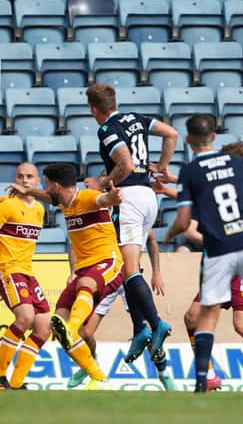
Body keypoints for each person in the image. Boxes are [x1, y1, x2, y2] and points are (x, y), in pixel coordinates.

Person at [164, 114, 243, 391]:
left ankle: (207, 377)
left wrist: (172, 229)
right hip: (232, 255)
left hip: (236, 258)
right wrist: (169, 185)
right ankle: (208, 377)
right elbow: (209, 192)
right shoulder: (239, 181)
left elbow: (204, 198)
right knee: (193, 316)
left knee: (240, 323)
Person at [8, 163, 125, 390]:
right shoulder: (63, 200)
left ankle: (72, 328)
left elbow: (104, 201)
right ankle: (99, 378)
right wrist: (28, 191)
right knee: (56, 322)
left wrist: (114, 197)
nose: (45, 186)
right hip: (83, 268)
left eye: (47, 183)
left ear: (56, 185)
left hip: (108, 262)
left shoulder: (89, 197)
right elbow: (50, 198)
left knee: (83, 291)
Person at [85, 83, 178, 363]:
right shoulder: (137, 118)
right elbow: (172, 134)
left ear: (93, 110)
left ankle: (155, 323)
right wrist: (162, 166)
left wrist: (101, 185)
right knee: (130, 266)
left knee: (127, 271)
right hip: (149, 196)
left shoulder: (106, 130)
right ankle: (140, 329)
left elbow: (124, 165)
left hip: (130, 198)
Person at [66, 229, 177, 391]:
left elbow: (151, 239)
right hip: (104, 275)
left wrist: (156, 272)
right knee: (84, 332)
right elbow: (74, 243)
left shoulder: (126, 212)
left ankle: (164, 373)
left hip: (129, 278)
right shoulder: (96, 212)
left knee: (148, 332)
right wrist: (73, 272)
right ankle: (90, 364)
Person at [0, 162, 51, 390]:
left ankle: (17, 381)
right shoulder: (5, 204)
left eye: (30, 176)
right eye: (20, 176)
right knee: (25, 317)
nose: (25, 180)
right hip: (7, 270)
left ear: (37, 181)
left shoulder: (39, 209)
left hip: (27, 272)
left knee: (44, 327)